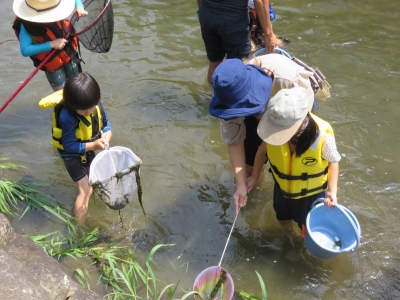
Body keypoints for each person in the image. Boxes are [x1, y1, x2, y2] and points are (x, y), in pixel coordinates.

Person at [209, 56, 316, 214]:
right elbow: (234, 142)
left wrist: (271, 143)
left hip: (289, 109)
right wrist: (240, 184)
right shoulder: (227, 99)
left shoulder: (287, 81)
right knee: (249, 167)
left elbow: (302, 113)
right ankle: (254, 191)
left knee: (292, 160)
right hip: (260, 109)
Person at [246, 87, 341, 237]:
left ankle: (303, 242)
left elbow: (333, 161)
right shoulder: (273, 133)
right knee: (282, 218)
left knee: (307, 227)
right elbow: (261, 151)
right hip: (282, 191)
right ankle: (291, 236)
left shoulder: (323, 139)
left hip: (310, 196)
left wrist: (332, 191)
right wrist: (254, 176)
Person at [41, 73, 112, 222]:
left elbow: (106, 125)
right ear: (72, 106)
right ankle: (79, 226)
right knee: (86, 190)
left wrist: (106, 136)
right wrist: (93, 145)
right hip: (70, 153)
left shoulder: (95, 104)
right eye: (84, 111)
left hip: (89, 145)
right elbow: (68, 145)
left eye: (91, 108)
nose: (89, 112)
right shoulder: (67, 117)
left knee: (98, 179)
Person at [196, 0, 281, 84]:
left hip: (206, 14)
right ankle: (233, 96)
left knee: (215, 63)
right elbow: (261, 1)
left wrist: (201, 12)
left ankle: (214, 96)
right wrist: (269, 34)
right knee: (237, 67)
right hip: (233, 19)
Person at [12, 0, 88, 91]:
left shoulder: (54, 3)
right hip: (52, 65)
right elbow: (25, 50)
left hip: (69, 54)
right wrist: (51, 44)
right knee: (61, 94)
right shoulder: (27, 24)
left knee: (77, 88)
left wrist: (79, 6)